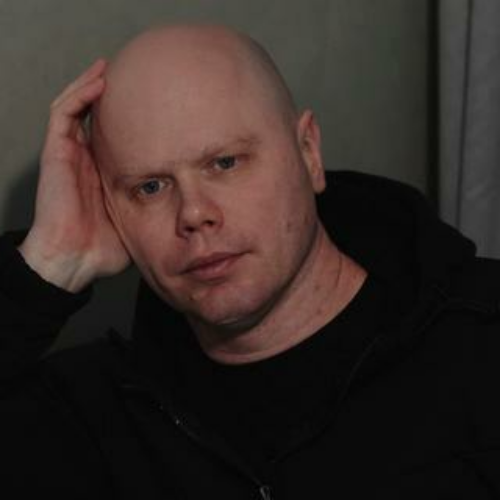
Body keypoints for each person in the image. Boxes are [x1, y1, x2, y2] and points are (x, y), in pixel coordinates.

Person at [1, 24, 500, 500]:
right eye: (149, 187)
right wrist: (48, 264)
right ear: (111, 208)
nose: (193, 213)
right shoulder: (91, 420)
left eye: (225, 163)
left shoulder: (478, 346)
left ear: (308, 153)